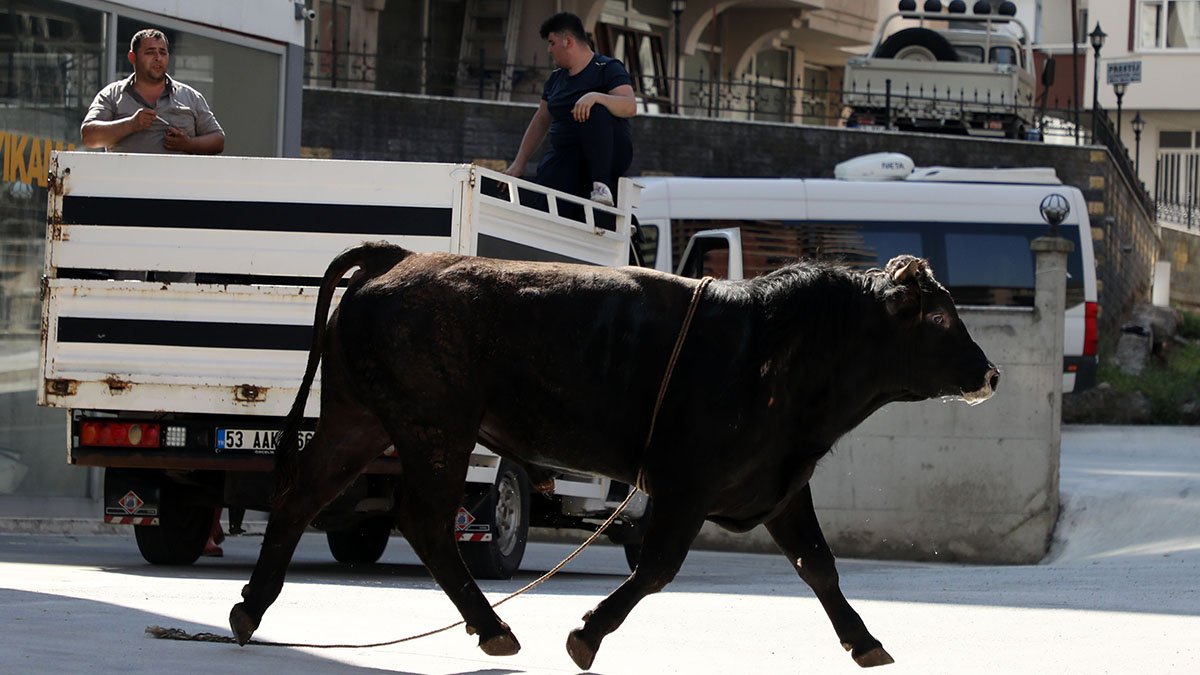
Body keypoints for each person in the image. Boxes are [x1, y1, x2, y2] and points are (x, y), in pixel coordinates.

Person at [505, 12, 635, 206]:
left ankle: (601, 185)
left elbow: (630, 106)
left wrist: (595, 96)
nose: (549, 50)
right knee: (542, 194)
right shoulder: (556, 78)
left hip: (605, 152)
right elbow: (541, 119)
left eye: (552, 42)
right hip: (566, 155)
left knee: (596, 108)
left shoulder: (607, 67)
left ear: (567, 41)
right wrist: (519, 163)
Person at [81, 28, 225, 155]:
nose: (158, 58)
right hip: (126, 183)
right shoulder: (112, 95)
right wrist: (131, 124)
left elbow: (218, 140)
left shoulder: (191, 97)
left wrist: (188, 144)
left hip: (178, 184)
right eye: (150, 52)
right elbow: (89, 136)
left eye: (162, 53)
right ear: (132, 57)